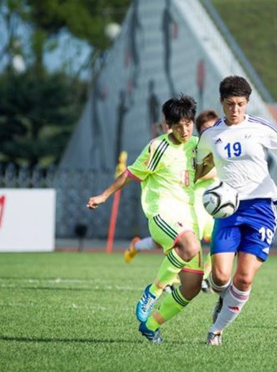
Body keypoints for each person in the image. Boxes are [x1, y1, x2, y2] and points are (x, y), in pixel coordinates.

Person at [195, 76, 277, 346]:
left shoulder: (260, 128)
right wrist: (194, 178)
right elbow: (200, 163)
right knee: (219, 277)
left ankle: (216, 330)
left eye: (240, 104)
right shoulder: (210, 135)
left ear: (247, 103)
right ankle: (222, 296)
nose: (235, 110)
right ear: (222, 102)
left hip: (261, 206)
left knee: (245, 277)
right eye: (230, 104)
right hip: (228, 210)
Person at [87, 94, 205, 343]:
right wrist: (104, 195)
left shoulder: (197, 145)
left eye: (188, 123)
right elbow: (130, 174)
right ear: (168, 126)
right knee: (190, 245)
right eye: (178, 125)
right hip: (162, 213)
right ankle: (152, 291)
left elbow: (209, 169)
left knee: (193, 286)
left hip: (189, 217)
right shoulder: (157, 147)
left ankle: (150, 326)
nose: (184, 130)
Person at [124, 110, 220, 294]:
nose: (212, 132)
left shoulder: (217, 148)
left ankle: (203, 277)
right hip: (197, 203)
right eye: (207, 128)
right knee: (183, 243)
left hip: (215, 205)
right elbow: (192, 175)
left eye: (215, 127)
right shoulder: (195, 150)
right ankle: (166, 279)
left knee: (220, 241)